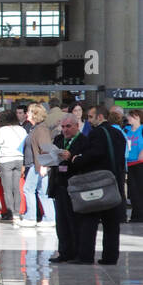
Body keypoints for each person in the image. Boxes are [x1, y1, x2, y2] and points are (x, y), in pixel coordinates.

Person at [67, 106, 127, 265]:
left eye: (91, 117)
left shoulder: (97, 133)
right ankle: (110, 257)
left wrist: (77, 160)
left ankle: (85, 255)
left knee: (89, 219)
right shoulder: (118, 133)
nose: (88, 120)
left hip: (97, 184)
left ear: (100, 117)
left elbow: (94, 154)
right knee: (112, 224)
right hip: (114, 182)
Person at [48, 114, 82, 262]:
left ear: (76, 126)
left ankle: (75, 252)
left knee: (73, 220)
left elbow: (84, 161)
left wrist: (71, 156)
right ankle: (64, 251)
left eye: (68, 126)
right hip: (59, 184)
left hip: (74, 185)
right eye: (63, 127)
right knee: (61, 220)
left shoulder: (82, 141)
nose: (65, 130)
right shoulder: (58, 140)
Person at [0, 110, 26, 222]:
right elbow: (26, 143)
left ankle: (10, 212)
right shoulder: (21, 129)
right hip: (19, 160)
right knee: (16, 187)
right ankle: (17, 212)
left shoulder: (2, 130)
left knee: (7, 189)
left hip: (6, 160)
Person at [126, 108, 143, 223]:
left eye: (130, 116)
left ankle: (140, 214)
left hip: (140, 163)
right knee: (132, 191)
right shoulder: (127, 130)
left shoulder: (142, 129)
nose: (128, 118)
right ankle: (135, 214)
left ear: (137, 117)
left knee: (140, 189)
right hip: (129, 163)